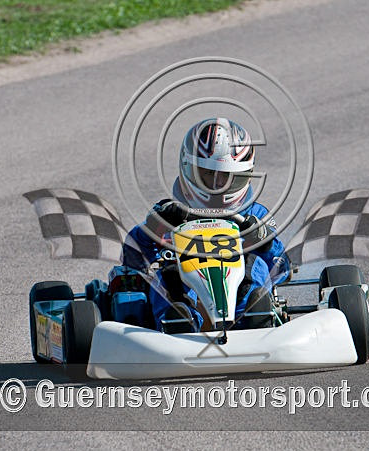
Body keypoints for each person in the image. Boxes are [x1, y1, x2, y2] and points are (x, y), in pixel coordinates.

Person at [121, 117, 290, 332]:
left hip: (239, 293)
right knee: (167, 275)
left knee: (255, 265)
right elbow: (131, 259)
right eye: (209, 174)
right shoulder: (168, 213)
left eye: (227, 176)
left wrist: (265, 243)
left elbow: (281, 268)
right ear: (188, 168)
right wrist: (153, 229)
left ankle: (254, 318)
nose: (218, 185)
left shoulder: (255, 215)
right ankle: (178, 322)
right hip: (187, 292)